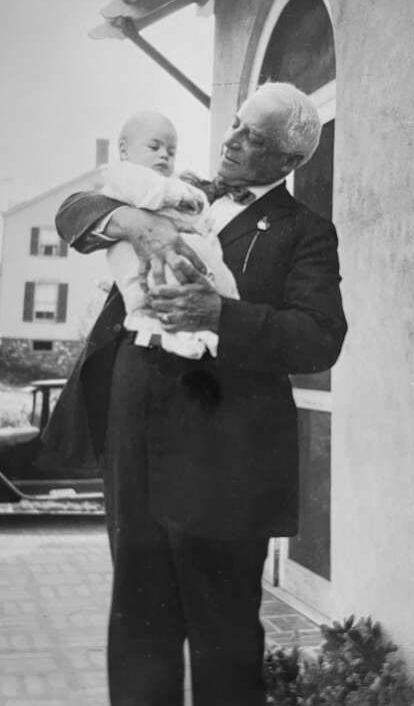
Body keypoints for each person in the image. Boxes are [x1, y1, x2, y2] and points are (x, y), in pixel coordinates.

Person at [44, 82, 347, 706]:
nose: (231, 140)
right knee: (138, 617)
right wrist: (135, 224)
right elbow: (74, 210)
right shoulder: (174, 192)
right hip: (136, 431)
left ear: (288, 160)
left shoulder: (305, 231)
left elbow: (320, 337)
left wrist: (219, 315)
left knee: (223, 630)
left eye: (252, 137)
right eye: (235, 124)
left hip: (224, 454)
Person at [100, 110, 239, 358]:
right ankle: (177, 338)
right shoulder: (125, 174)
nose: (164, 155)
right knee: (154, 298)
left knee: (204, 287)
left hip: (176, 254)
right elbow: (151, 193)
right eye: (154, 147)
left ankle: (200, 336)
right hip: (138, 256)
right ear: (124, 150)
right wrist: (185, 197)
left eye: (171, 152)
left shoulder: (168, 180)